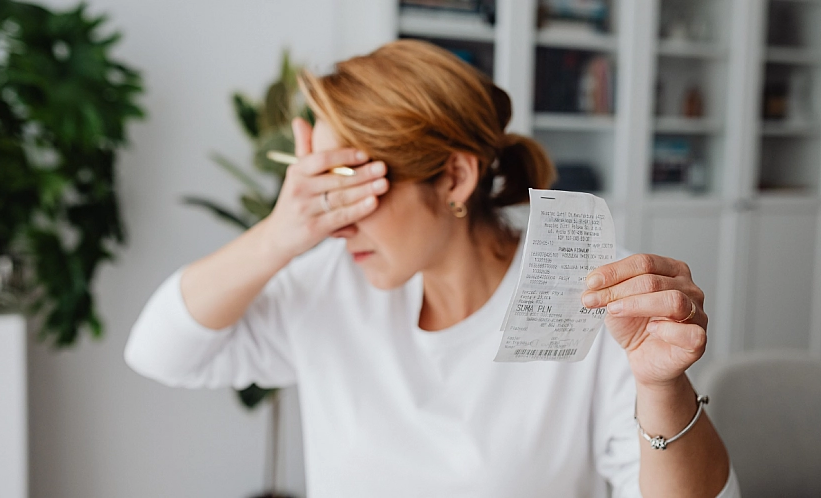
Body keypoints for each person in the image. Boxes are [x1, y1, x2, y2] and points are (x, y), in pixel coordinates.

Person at [126, 40, 740, 497]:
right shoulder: (331, 284)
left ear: (453, 176)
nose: (336, 225)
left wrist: (661, 388)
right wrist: (280, 234)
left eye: (352, 188)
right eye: (322, 194)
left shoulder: (586, 294)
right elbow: (160, 354)